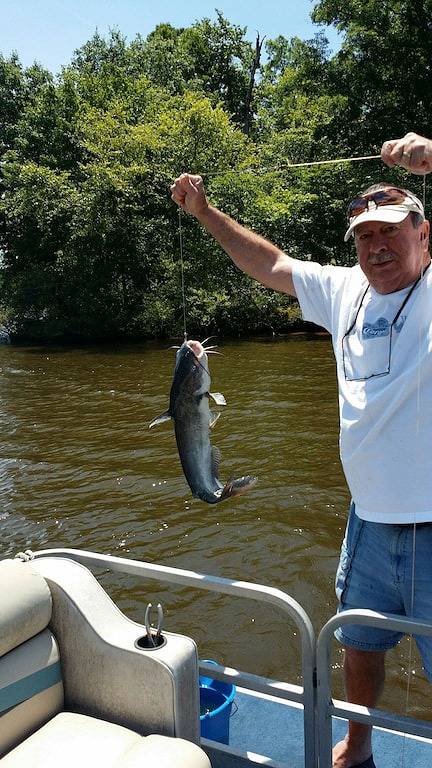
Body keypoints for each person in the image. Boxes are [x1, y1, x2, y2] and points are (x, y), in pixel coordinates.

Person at [170, 131, 432, 768]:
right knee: (359, 645)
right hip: (368, 521)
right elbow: (268, 264)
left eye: (391, 231)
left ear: (424, 234)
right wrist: (204, 212)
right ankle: (357, 744)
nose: (376, 246)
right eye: (365, 236)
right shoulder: (345, 290)